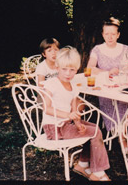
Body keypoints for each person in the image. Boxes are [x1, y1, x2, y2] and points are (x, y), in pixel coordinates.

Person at [42, 46, 111, 181]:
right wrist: (67, 116)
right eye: (64, 69)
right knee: (95, 133)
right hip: (54, 128)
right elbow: (46, 108)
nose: (68, 73)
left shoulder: (73, 86)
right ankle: (99, 174)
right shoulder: (51, 84)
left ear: (77, 69)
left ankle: (82, 165)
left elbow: (74, 110)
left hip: (66, 124)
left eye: (72, 70)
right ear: (57, 68)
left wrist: (78, 123)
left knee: (93, 129)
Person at [87, 17, 128, 152]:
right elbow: (90, 69)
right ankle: (124, 136)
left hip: (124, 85)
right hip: (107, 91)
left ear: (118, 35)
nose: (110, 37)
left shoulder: (125, 49)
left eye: (113, 34)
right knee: (121, 100)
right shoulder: (97, 50)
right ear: (102, 34)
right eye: (107, 34)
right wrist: (107, 72)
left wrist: (127, 72)